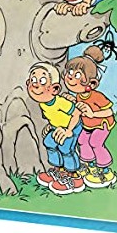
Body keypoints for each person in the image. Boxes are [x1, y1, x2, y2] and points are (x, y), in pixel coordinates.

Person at [62, 46, 117, 188]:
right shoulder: (79, 96)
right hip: (88, 125)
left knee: (95, 143)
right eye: (70, 72)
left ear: (91, 83)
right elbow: (78, 110)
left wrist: (93, 114)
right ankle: (90, 165)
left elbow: (109, 112)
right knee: (82, 140)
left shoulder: (97, 96)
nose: (70, 78)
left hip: (102, 124)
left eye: (77, 75)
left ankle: (105, 170)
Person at [26, 62, 84, 195]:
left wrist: (68, 131)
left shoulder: (60, 102)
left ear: (54, 89)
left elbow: (76, 113)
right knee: (49, 142)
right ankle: (58, 170)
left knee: (65, 148)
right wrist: (51, 126)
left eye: (42, 81)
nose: (35, 84)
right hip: (57, 127)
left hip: (72, 126)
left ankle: (74, 176)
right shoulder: (43, 103)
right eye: (33, 80)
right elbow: (55, 117)